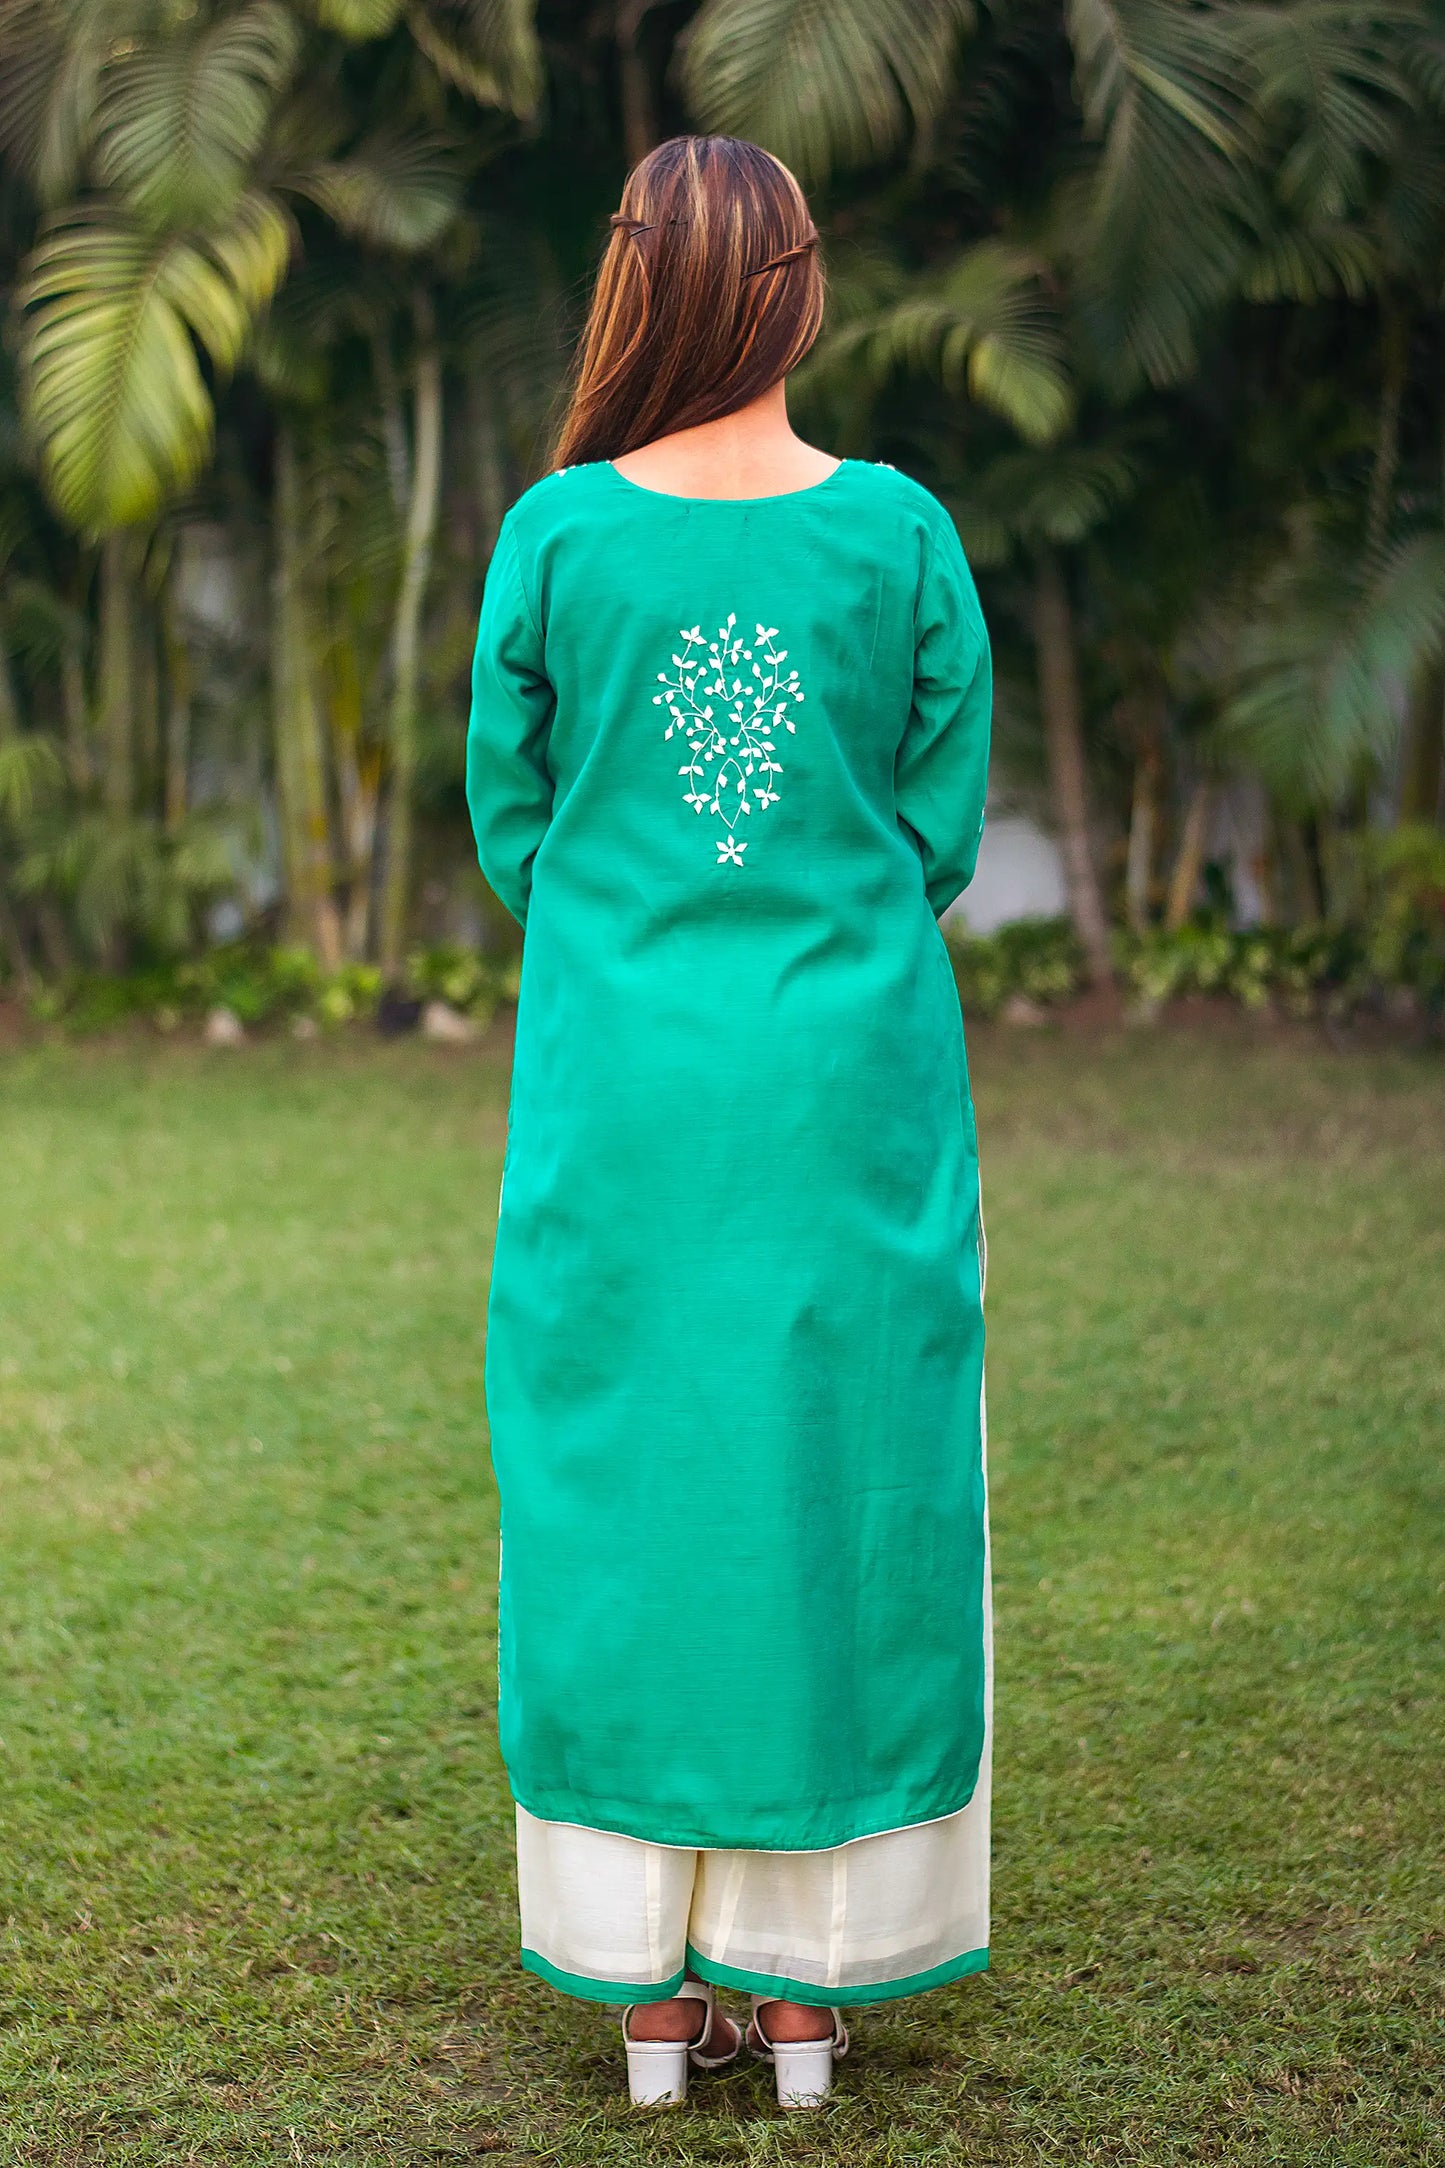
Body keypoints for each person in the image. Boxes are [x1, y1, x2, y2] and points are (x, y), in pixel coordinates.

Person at [465, 132, 993, 2111]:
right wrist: (814, 932)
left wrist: (634, 930)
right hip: (845, 1096)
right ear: (796, 287)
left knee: (623, 1489)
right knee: (832, 1486)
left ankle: (649, 1998)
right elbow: (936, 828)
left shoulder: (556, 536)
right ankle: (802, 1985)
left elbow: (515, 821)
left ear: (634, 286)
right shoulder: (900, 532)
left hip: (616, 1093)